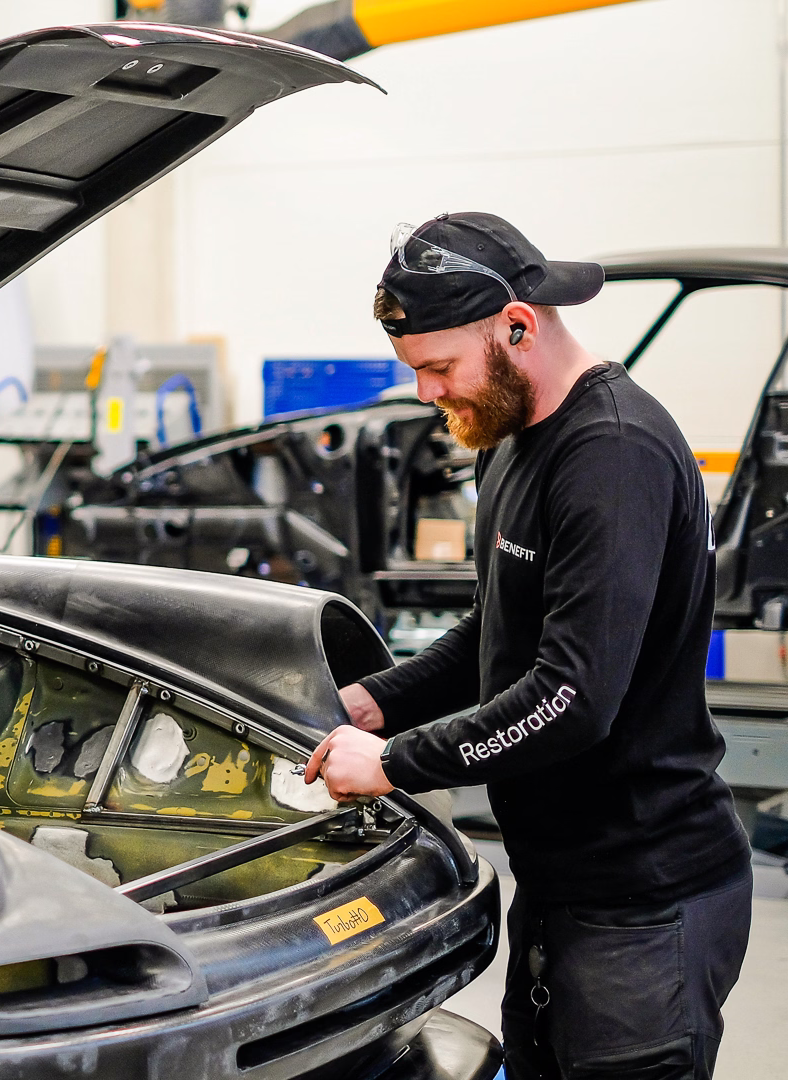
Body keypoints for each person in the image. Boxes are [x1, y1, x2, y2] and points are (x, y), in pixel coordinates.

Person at [302, 213, 752, 1080]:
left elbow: (572, 698)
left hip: (644, 904)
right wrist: (378, 700)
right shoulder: (509, 437)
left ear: (516, 325)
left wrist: (394, 760)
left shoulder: (611, 455)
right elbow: (500, 627)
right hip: (560, 888)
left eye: (440, 368)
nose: (428, 394)